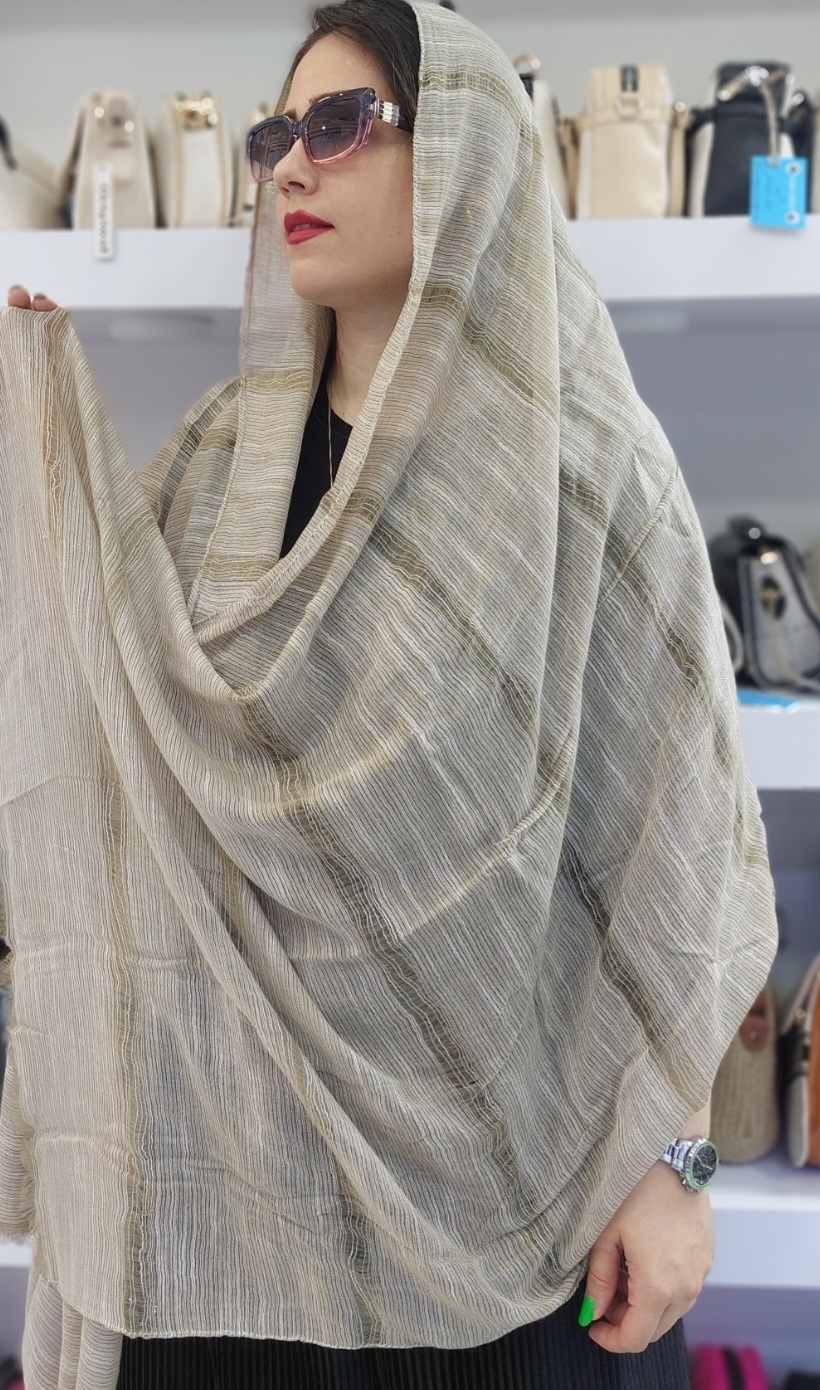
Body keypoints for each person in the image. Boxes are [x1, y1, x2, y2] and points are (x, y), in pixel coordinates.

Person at [1, 2, 778, 1388]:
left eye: (343, 123)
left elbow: (679, 858)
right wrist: (48, 460)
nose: (292, 166)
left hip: (513, 1223)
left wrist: (680, 1164)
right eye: (275, 137)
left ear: (469, 153)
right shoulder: (213, 470)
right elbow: (126, 760)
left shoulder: (584, 478)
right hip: (238, 1226)